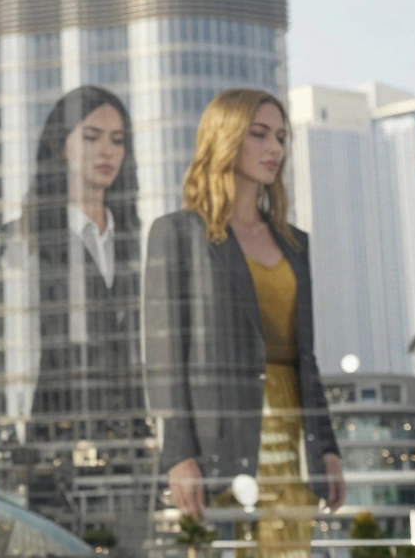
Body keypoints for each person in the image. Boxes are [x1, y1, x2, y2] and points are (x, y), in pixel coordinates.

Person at [142, 88, 346, 558]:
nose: (274, 148)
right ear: (225, 137)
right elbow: (164, 357)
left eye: (280, 136)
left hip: (295, 435)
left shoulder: (296, 245)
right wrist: (178, 454)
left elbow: (306, 357)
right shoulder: (177, 233)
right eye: (259, 134)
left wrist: (329, 448)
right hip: (222, 434)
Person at [13, 86, 149, 554]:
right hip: (55, 427)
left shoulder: (137, 242)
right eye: (92, 136)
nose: (107, 151)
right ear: (60, 145)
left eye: (117, 139)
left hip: (130, 436)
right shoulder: (24, 241)